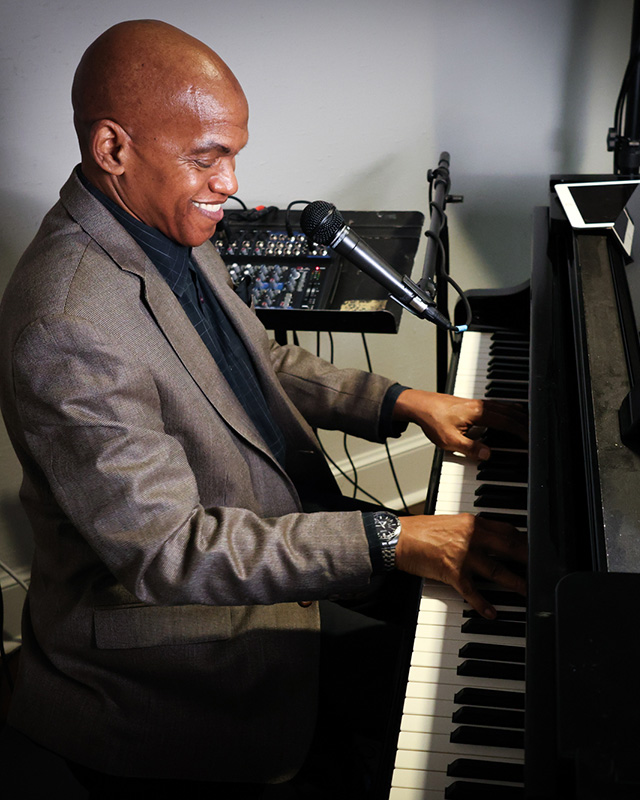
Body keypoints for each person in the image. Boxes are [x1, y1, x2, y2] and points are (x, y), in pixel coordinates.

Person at [0, 19, 527, 798]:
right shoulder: (66, 324)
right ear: (114, 150)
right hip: (168, 664)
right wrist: (396, 536)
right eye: (207, 158)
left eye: (234, 154)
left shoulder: (166, 225)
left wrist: (403, 399)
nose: (230, 182)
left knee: (481, 610)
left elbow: (257, 359)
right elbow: (171, 553)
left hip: (277, 526)